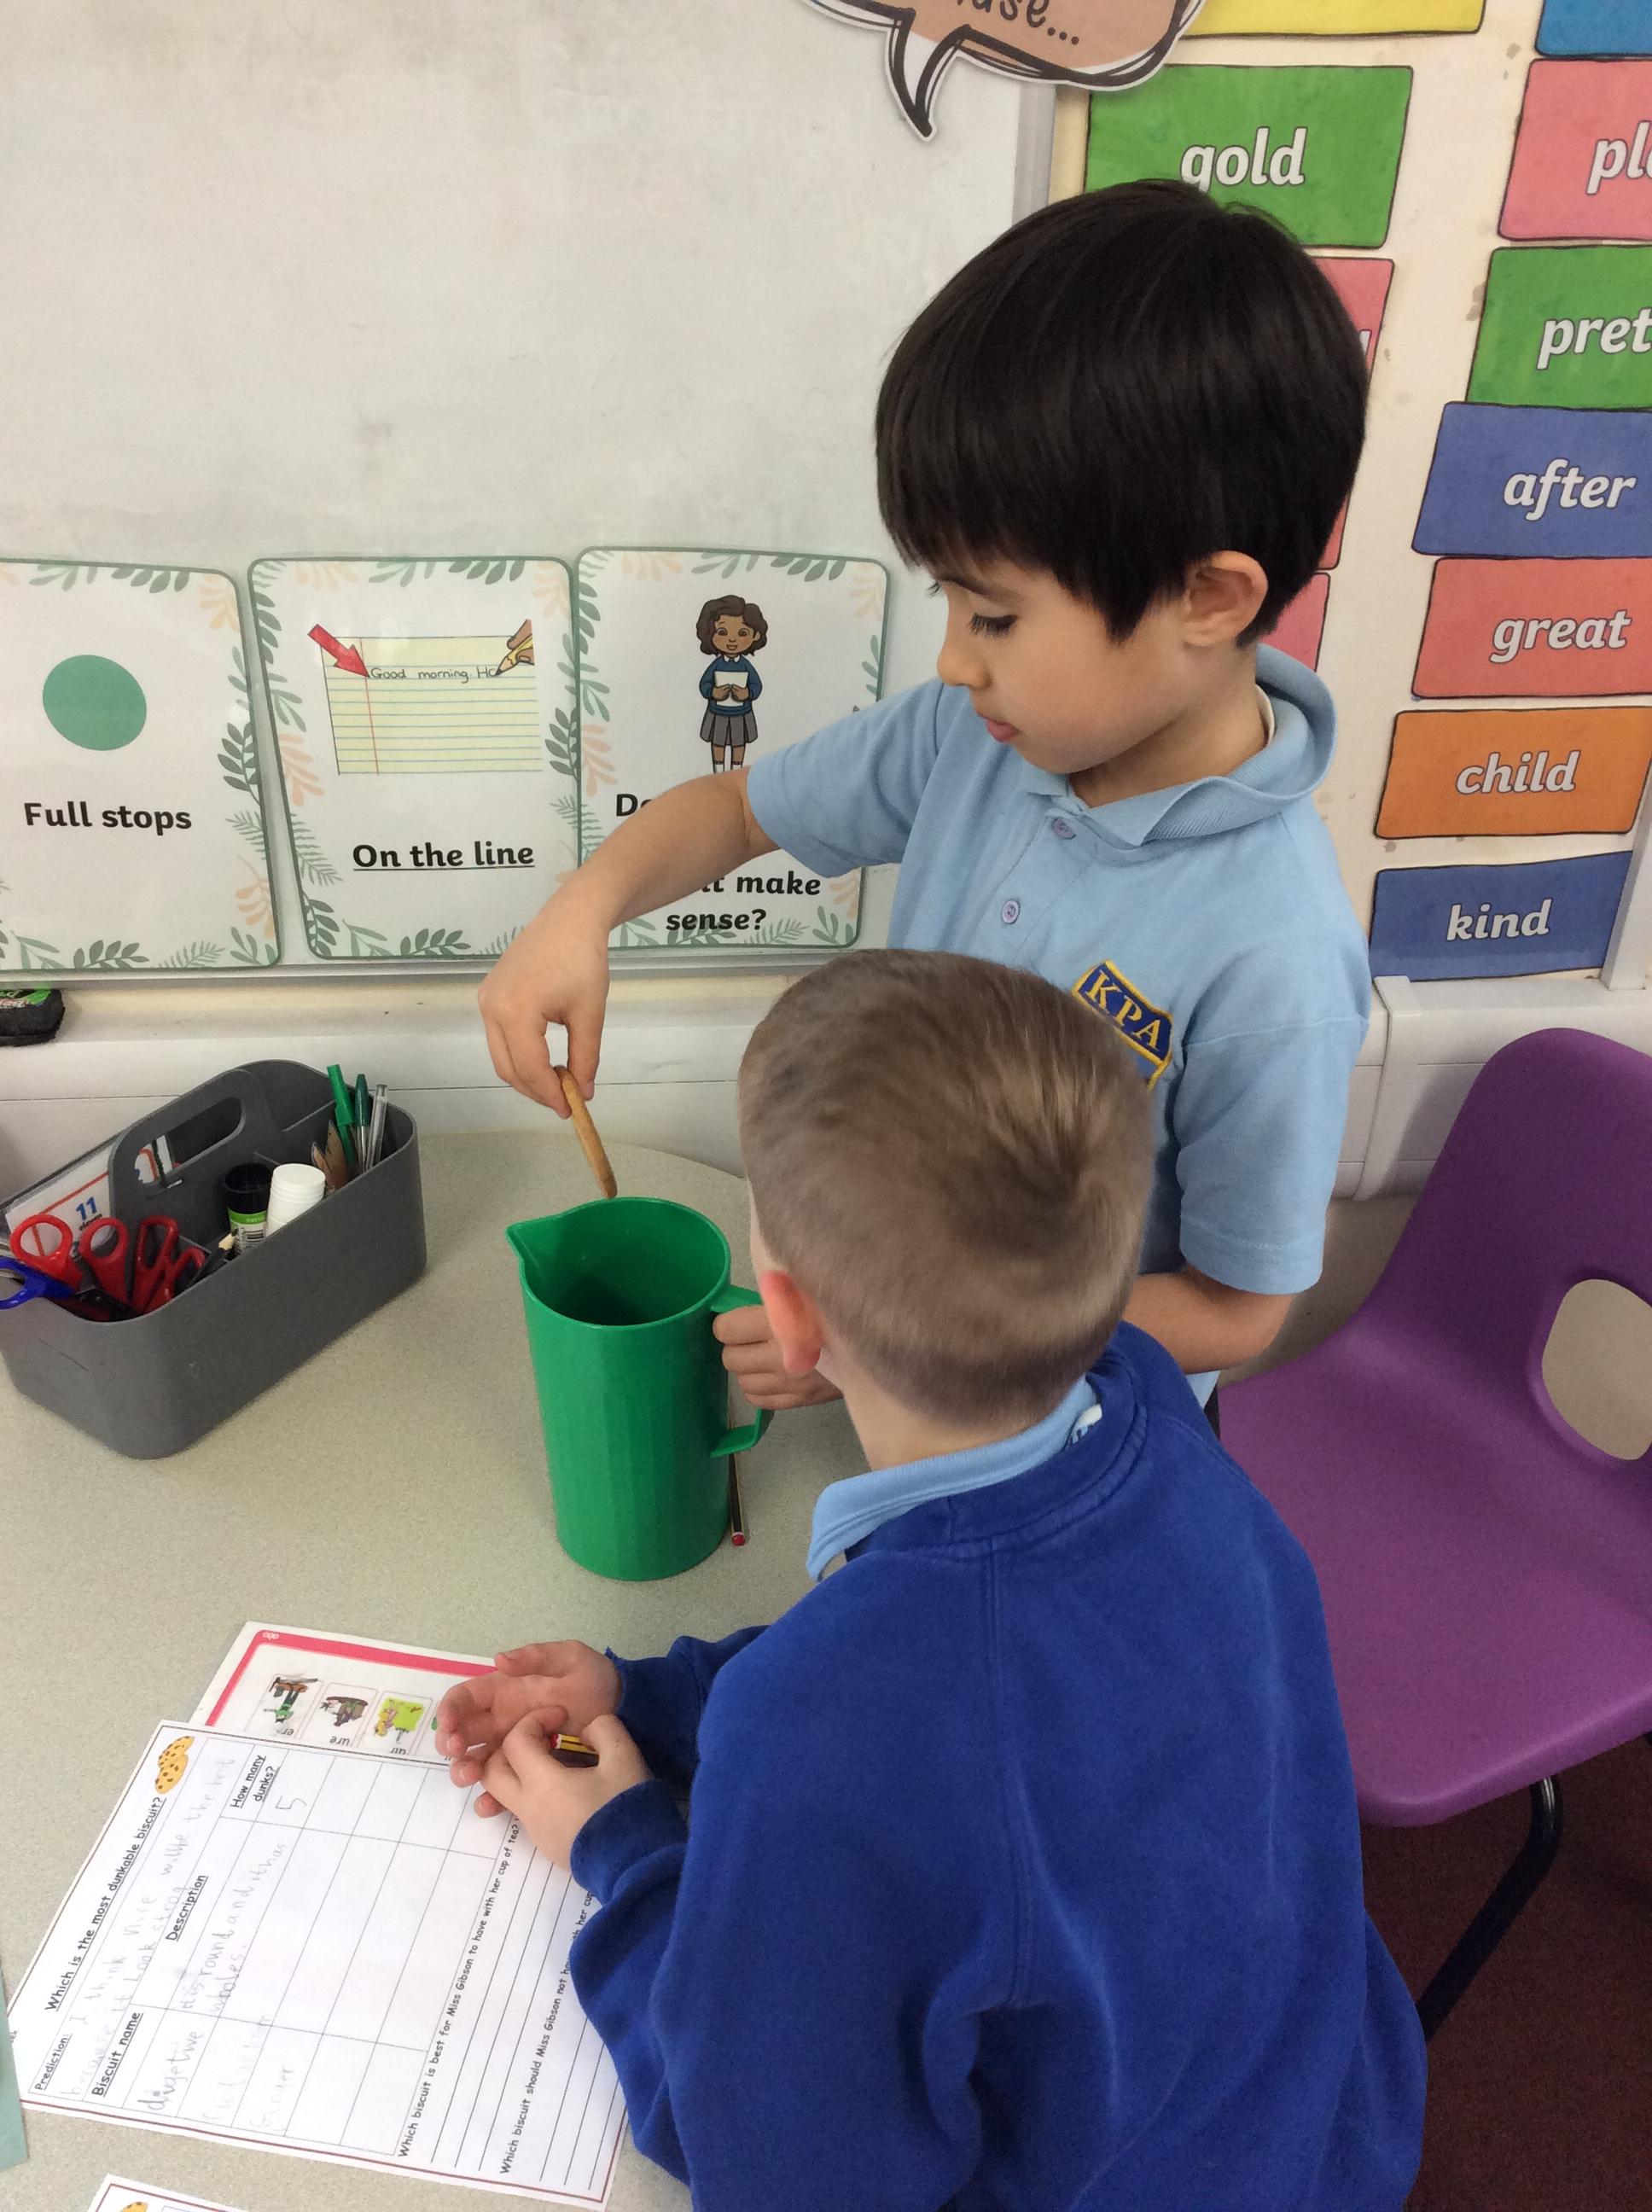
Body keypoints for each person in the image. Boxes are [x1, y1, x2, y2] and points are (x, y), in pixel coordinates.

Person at [437, 952, 1425, 2212]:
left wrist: (622, 1847)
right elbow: (927, 1655)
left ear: (788, 1320)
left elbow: (774, 2163)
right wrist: (650, 1695)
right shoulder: (1150, 1404)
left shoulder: (820, 1732)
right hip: (1323, 2112)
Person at [478, 180, 1372, 1412]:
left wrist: (889, 1339)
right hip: (884, 1372)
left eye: (993, 614)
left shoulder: (1277, 961)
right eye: (947, 599)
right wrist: (580, 910)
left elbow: (1236, 1310)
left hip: (1066, 1447)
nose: (953, 658)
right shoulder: (979, 737)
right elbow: (737, 811)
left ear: (1207, 599)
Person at [695, 593, 767, 771]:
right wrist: (713, 692)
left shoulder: (745, 665)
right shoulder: (717, 664)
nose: (732, 639)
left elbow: (756, 686)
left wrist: (747, 693)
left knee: (739, 743)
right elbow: (704, 684)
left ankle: (736, 770)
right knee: (718, 742)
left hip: (741, 713)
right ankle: (718, 772)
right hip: (717, 712)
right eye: (722, 632)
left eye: (742, 633)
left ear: (755, 635)